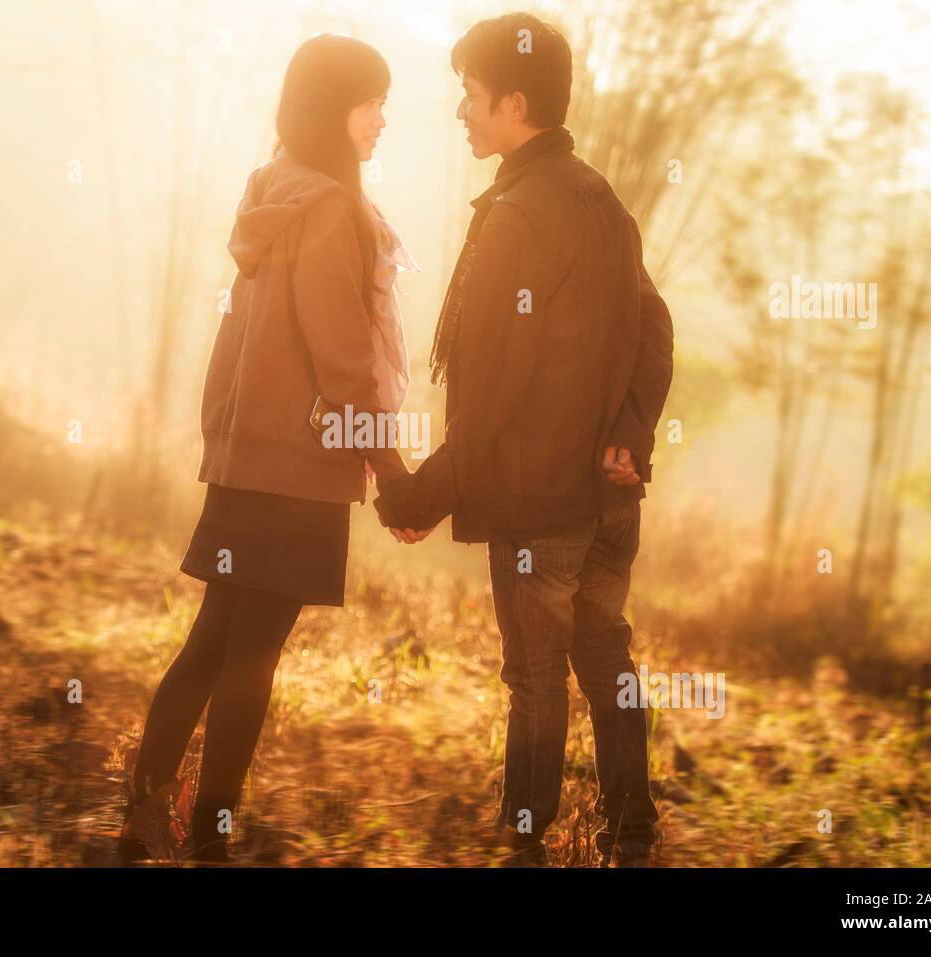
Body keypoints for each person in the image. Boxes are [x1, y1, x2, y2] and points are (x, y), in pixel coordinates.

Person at [374, 12, 675, 868]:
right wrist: (630, 432)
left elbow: (496, 388)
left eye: (468, 95)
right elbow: (657, 328)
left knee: (537, 676)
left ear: (514, 103)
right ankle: (632, 827)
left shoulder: (517, 214)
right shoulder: (600, 200)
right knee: (604, 648)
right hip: (610, 496)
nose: (459, 112)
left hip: (544, 503)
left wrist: (424, 492)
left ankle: (525, 841)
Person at [120, 33, 415, 863]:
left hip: (249, 459)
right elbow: (346, 360)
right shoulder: (327, 209)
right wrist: (391, 472)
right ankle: (208, 839)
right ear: (332, 109)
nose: (382, 119)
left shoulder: (272, 192)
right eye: (369, 102)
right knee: (249, 657)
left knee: (213, 642)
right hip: (301, 470)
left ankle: (143, 815)